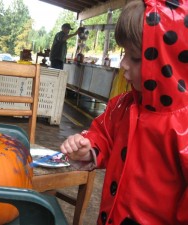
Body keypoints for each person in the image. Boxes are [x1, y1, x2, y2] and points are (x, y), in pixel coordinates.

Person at [60, 0, 188, 224]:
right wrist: (88, 147)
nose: (123, 64)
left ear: (169, 60)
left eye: (136, 57)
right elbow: (104, 135)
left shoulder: (182, 126)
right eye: (124, 53)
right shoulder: (122, 106)